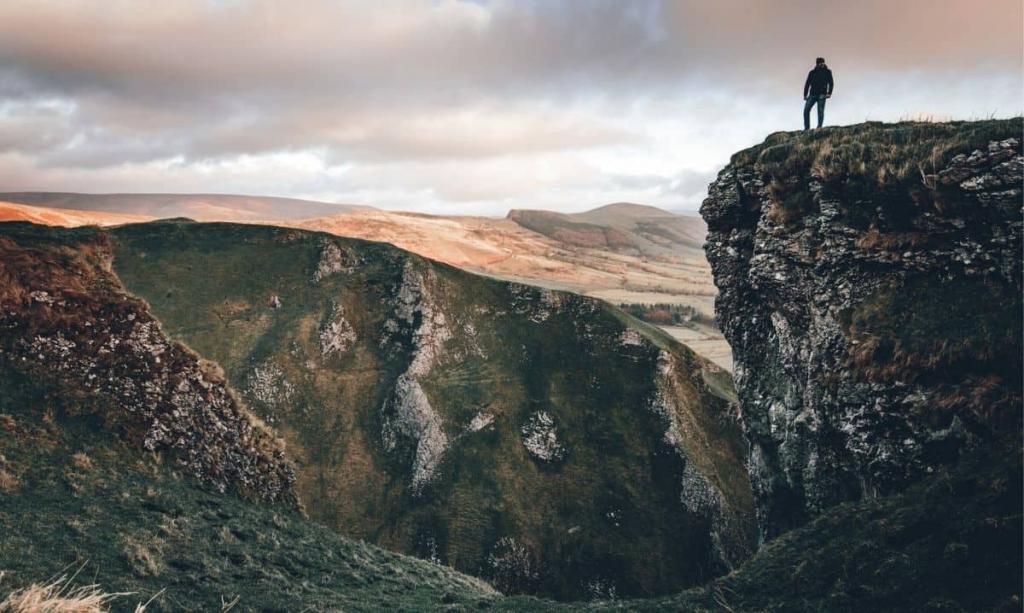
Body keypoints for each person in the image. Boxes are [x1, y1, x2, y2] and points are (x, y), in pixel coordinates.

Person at [803, 57, 834, 130]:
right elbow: (807, 84)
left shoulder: (828, 72)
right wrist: (805, 95)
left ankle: (819, 127)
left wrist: (829, 93)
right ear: (817, 64)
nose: (822, 64)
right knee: (806, 110)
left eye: (823, 62)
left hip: (822, 94)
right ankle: (807, 128)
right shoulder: (812, 72)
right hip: (812, 94)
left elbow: (831, 83)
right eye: (820, 63)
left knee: (820, 111)